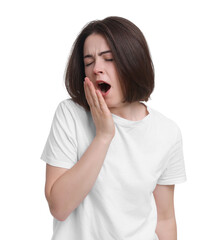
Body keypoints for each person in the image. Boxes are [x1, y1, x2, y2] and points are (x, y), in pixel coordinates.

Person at [40, 16, 187, 240]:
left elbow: (165, 220)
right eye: (89, 62)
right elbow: (59, 207)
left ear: (133, 62)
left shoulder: (167, 132)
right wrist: (103, 136)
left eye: (108, 59)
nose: (97, 68)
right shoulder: (70, 114)